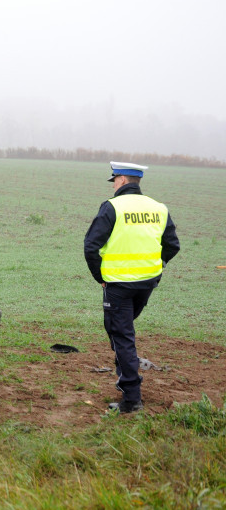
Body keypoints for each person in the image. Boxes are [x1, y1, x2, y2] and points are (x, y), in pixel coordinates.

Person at [84, 161, 180, 414]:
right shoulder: (158, 208)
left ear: (123, 180)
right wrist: (156, 267)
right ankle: (127, 377)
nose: (113, 184)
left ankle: (131, 398)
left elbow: (91, 246)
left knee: (121, 335)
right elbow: (172, 245)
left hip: (118, 284)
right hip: (147, 283)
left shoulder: (112, 206)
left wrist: (100, 277)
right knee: (121, 331)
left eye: (114, 180)